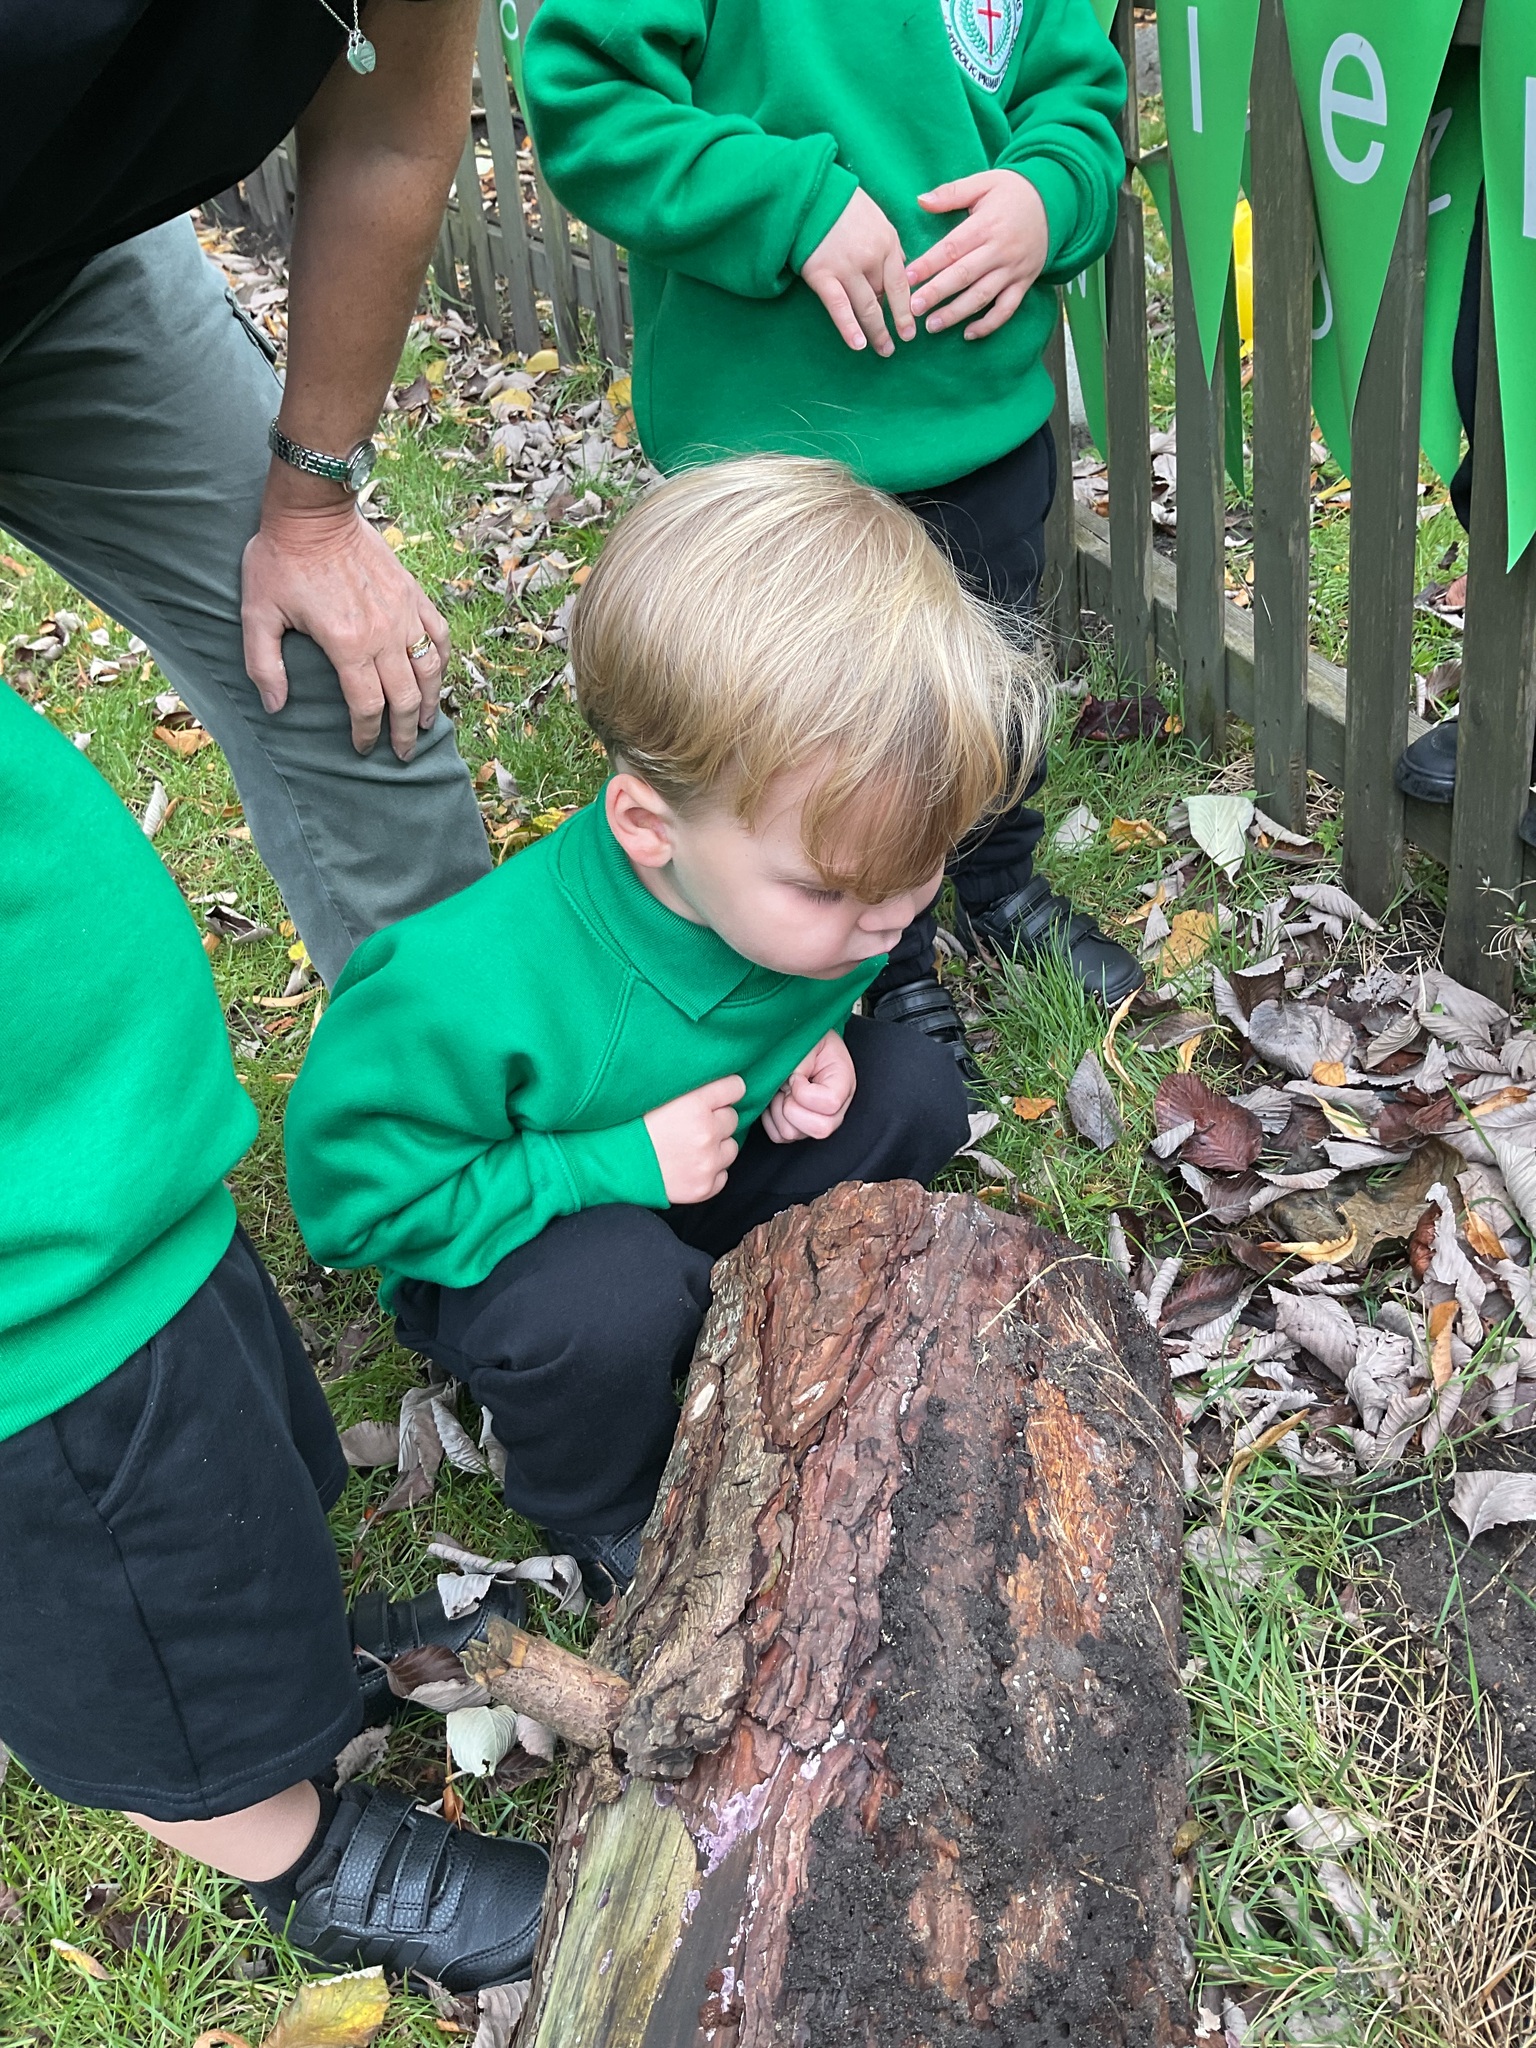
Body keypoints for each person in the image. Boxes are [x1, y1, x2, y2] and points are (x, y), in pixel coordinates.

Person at [285, 457, 1043, 1598]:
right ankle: (605, 1503)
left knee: (916, 1092)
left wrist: (808, 1044)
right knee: (613, 1302)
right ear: (650, 825)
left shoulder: (805, 894)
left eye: (917, 875)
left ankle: (759, 1311)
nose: (886, 923)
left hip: (704, 1161)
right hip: (521, 1239)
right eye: (836, 890)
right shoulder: (467, 988)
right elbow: (352, 1203)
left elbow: (814, 974)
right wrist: (608, 1164)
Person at [0, 680, 548, 1991]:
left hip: (116, 1171)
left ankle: (290, 1651)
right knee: (144, 1639)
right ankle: (296, 1858)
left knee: (233, 1486)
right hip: (38, 1336)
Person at [518, 0, 1142, 1091]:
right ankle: (876, 959)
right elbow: (588, 101)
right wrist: (790, 202)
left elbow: (1081, 101)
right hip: (776, 457)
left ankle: (997, 881)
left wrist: (1048, 196)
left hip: (973, 421)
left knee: (985, 684)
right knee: (811, 730)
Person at [0, 0, 495, 989]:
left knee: (342, 676)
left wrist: (311, 513)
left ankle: (460, 1098)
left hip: (63, 261)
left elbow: (389, 132)